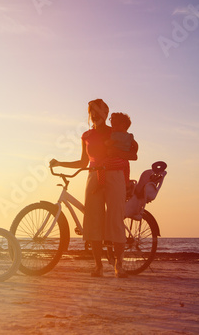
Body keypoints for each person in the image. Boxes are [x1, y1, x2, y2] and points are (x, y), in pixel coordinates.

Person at [50, 99, 138, 278]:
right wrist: (60, 163)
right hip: (93, 176)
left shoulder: (115, 132)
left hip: (114, 175)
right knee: (93, 222)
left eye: (98, 112)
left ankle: (118, 266)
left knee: (115, 220)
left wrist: (117, 155)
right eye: (92, 112)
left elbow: (133, 152)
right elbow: (83, 162)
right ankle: (99, 267)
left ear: (105, 114)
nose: (95, 115)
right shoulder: (86, 136)